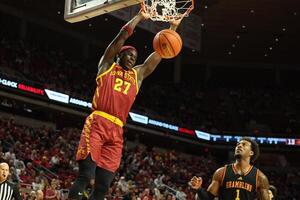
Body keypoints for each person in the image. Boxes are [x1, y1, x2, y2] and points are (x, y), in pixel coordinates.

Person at [68, 9, 184, 200]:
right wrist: (139, 17)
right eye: (129, 54)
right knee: (86, 176)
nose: (133, 58)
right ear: (119, 56)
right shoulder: (107, 66)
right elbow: (119, 39)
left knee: (103, 185)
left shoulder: (136, 76)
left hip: (117, 130)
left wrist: (173, 27)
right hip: (98, 122)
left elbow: (161, 51)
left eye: (135, 57)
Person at [189, 137, 270, 200]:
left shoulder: (260, 177)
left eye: (244, 144)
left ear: (251, 153)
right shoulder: (221, 172)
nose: (239, 146)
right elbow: (208, 198)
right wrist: (199, 189)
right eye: (238, 144)